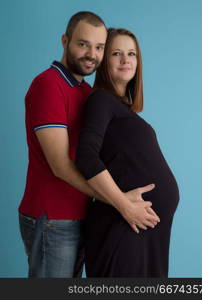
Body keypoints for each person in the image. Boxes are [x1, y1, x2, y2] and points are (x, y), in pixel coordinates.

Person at [18, 12, 159, 278]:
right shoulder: (48, 85)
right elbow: (60, 165)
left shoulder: (85, 93)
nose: (91, 54)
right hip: (53, 218)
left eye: (99, 47)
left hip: (80, 214)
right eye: (83, 44)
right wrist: (121, 203)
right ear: (65, 41)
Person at [76, 28, 180, 277]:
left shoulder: (122, 109)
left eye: (131, 53)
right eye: (116, 53)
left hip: (143, 231)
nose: (126, 60)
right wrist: (125, 206)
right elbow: (86, 156)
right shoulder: (100, 100)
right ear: (103, 61)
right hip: (122, 225)